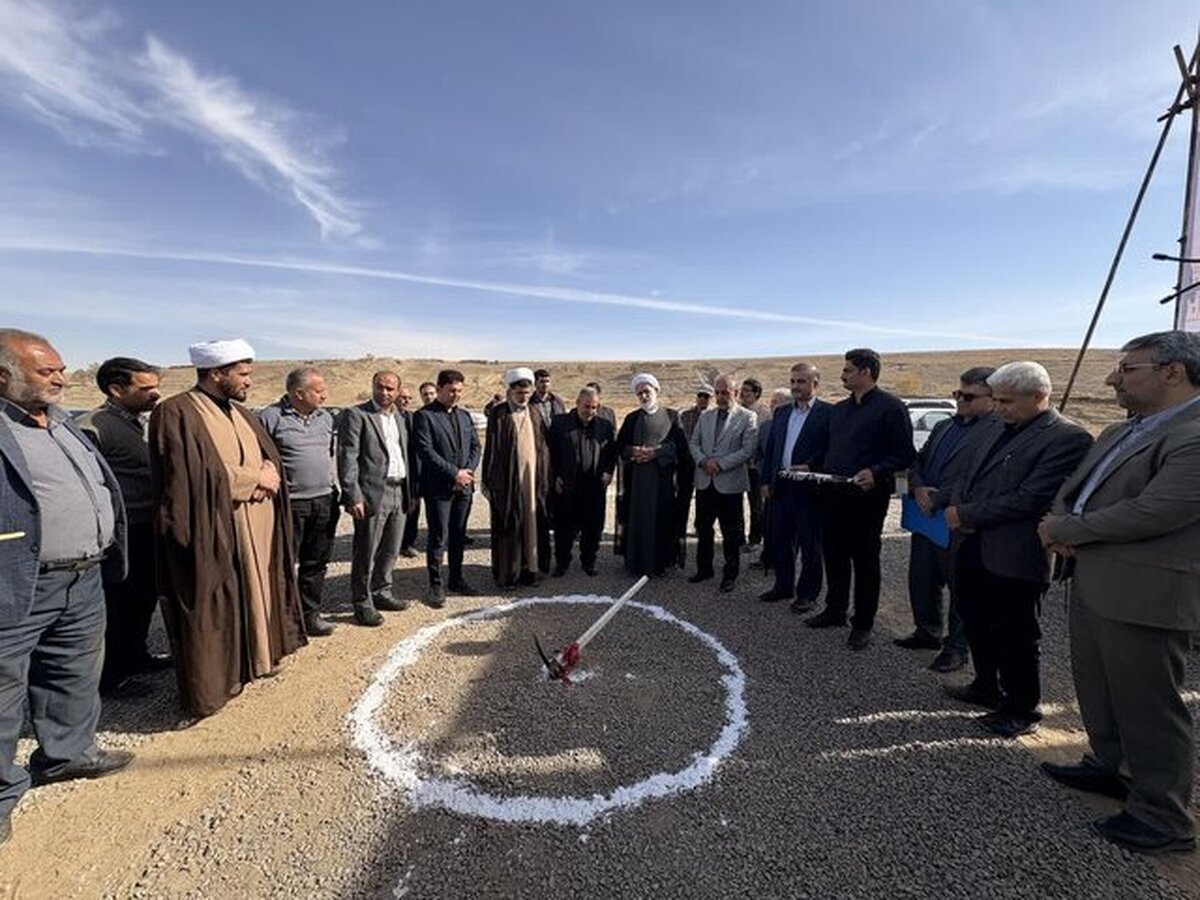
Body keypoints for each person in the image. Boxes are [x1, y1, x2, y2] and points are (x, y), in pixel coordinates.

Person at [1039, 331, 1200, 853]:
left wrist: (1069, 531)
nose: (1113, 378)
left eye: (1128, 369)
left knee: (1148, 703)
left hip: (1146, 591)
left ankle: (1163, 816)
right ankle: (1110, 765)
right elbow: (1074, 487)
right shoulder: (1120, 431)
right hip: (1094, 580)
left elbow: (1160, 510)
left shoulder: (1194, 433)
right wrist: (1060, 517)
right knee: (1098, 685)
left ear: (1172, 372)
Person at [0, 329, 133, 846]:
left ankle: (67, 754)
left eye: (59, 368)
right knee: (5, 689)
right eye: (46, 370)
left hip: (83, 575)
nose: (60, 377)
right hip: (20, 581)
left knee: (75, 670)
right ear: (4, 376)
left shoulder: (62, 423)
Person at [149, 338, 306, 721]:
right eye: (243, 374)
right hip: (219, 524)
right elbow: (189, 475)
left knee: (259, 588)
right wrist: (256, 478)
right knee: (219, 596)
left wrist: (270, 474)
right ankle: (221, 678)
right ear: (216, 374)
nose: (249, 381)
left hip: (260, 519)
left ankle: (259, 659)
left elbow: (267, 458)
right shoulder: (176, 412)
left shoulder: (240, 411)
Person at [944, 361, 1092, 738]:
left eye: (1007, 401)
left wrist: (967, 513)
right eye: (995, 399)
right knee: (974, 617)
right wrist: (960, 510)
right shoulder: (996, 425)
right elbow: (968, 474)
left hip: (1015, 554)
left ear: (1040, 397)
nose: (999, 407)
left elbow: (1031, 499)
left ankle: (1022, 708)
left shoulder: (1067, 438)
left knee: (1016, 632)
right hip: (972, 545)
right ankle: (986, 685)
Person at [806, 349, 915, 650]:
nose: (842, 375)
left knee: (865, 561)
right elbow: (829, 450)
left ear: (866, 372)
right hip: (834, 495)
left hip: (867, 500)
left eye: (848, 370)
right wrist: (809, 465)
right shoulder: (838, 410)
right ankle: (835, 610)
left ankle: (863, 623)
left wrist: (876, 471)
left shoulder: (891, 408)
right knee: (834, 554)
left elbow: (904, 454)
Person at [77, 356, 171, 693]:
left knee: (144, 596)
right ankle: (110, 676)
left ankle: (136, 655)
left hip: (149, 526)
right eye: (146, 388)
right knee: (119, 602)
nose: (156, 394)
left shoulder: (141, 423)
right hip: (123, 531)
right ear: (116, 390)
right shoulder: (93, 426)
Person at [895, 367, 995, 672]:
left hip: (958, 519)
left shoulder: (996, 431)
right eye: (957, 394)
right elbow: (918, 460)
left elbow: (980, 478)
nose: (961, 400)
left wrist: (939, 497)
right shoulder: (944, 427)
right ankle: (927, 631)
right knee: (923, 578)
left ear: (992, 398)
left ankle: (957, 647)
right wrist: (919, 486)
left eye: (969, 396)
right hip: (926, 517)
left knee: (961, 586)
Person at [259, 366, 339, 637]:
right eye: (319, 391)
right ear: (299, 393)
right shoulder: (271, 417)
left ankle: (309, 616)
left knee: (316, 562)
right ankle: (281, 622)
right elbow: (261, 458)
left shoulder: (325, 418)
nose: (324, 396)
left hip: (324, 500)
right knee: (283, 563)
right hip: (291, 504)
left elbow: (328, 454)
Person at [337, 371, 415, 626]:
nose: (385, 393)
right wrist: (353, 495)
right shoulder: (357, 415)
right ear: (372, 387)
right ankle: (362, 602)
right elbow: (348, 457)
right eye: (380, 387)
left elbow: (404, 455)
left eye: (390, 389)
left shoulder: (400, 418)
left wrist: (410, 492)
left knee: (391, 549)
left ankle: (382, 592)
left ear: (398, 390)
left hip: (398, 490)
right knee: (366, 550)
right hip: (372, 494)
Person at [759, 363, 832, 612]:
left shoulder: (828, 413)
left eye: (801, 382)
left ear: (815, 383)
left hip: (809, 488)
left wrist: (811, 465)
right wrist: (766, 481)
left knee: (810, 543)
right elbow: (772, 450)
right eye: (792, 381)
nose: (795, 387)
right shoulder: (781, 413)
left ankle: (808, 594)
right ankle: (783, 585)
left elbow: (831, 451)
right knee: (780, 539)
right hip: (781, 485)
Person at [412, 369, 481, 607]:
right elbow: (425, 451)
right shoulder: (424, 416)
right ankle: (436, 584)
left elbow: (475, 446)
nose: (456, 395)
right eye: (451, 390)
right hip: (439, 488)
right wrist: (455, 473)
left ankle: (456, 578)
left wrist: (468, 472)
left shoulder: (464, 416)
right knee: (439, 536)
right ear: (439, 389)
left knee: (459, 535)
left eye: (459, 391)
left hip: (464, 487)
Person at [688, 375, 757, 592]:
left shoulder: (748, 417)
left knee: (731, 532)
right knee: (704, 529)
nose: (719, 397)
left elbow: (748, 450)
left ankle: (730, 573)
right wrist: (703, 461)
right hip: (705, 482)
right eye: (717, 393)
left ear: (735, 393)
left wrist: (720, 464)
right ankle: (704, 569)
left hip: (730, 484)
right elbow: (694, 442)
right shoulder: (706, 416)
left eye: (725, 392)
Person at [615, 373, 689, 576]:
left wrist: (655, 453)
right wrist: (634, 451)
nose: (643, 396)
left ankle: (659, 563)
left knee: (661, 519)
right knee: (637, 519)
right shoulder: (631, 418)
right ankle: (636, 562)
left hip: (662, 482)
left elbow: (679, 447)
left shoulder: (672, 416)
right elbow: (620, 446)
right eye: (639, 393)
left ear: (656, 391)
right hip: (637, 483)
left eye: (647, 391)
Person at [483, 368, 551, 588]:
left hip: (532, 480)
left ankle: (530, 571)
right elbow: (492, 449)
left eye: (527, 393)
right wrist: (492, 482)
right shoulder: (499, 414)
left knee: (532, 524)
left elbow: (543, 447)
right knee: (509, 523)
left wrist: (545, 476)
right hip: (508, 479)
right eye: (519, 393)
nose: (524, 397)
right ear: (510, 391)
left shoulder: (534, 412)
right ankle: (509, 575)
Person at [548, 386, 616, 576]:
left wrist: (609, 472)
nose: (590, 411)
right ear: (577, 403)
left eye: (594, 407)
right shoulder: (560, 424)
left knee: (592, 528)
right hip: (567, 486)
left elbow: (611, 454)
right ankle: (562, 562)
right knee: (564, 528)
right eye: (587, 407)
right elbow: (550, 453)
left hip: (594, 486)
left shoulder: (605, 426)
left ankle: (589, 561)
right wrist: (555, 476)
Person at [751, 387, 793, 572]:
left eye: (776, 402)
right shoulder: (767, 426)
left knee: (787, 527)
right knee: (768, 522)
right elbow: (759, 454)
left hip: (790, 484)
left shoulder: (793, 425)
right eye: (772, 402)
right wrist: (764, 475)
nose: (772, 406)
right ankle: (767, 556)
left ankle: (783, 561)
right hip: (769, 484)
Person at [738, 377, 771, 549]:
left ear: (756, 393)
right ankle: (738, 537)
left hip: (754, 467)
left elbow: (763, 438)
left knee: (755, 504)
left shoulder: (764, 412)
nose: (743, 394)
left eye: (747, 391)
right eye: (742, 390)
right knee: (735, 503)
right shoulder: (736, 410)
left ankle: (755, 539)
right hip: (737, 465)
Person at [397, 384, 423, 559]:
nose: (406, 401)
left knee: (413, 508)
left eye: (409, 398)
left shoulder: (413, 417)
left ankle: (408, 543)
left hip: (412, 471)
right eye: (403, 397)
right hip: (393, 472)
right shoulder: (386, 418)